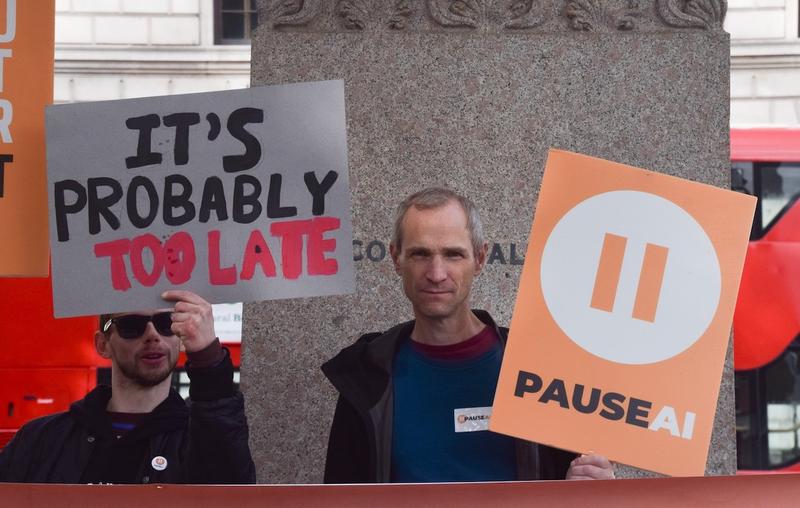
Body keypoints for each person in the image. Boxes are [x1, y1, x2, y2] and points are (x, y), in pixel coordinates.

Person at [322, 187, 614, 483]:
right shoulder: (366, 375)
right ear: (397, 258)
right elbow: (338, 498)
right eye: (420, 254)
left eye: (453, 255)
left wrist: (592, 486)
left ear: (480, 258)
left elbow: (582, 483)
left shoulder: (540, 368)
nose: (436, 273)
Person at [0, 290, 255, 484]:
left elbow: (230, 486)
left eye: (166, 323)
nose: (153, 335)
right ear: (102, 345)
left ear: (179, 339)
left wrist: (208, 357)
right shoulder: (41, 439)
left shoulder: (197, 438)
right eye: (131, 325)